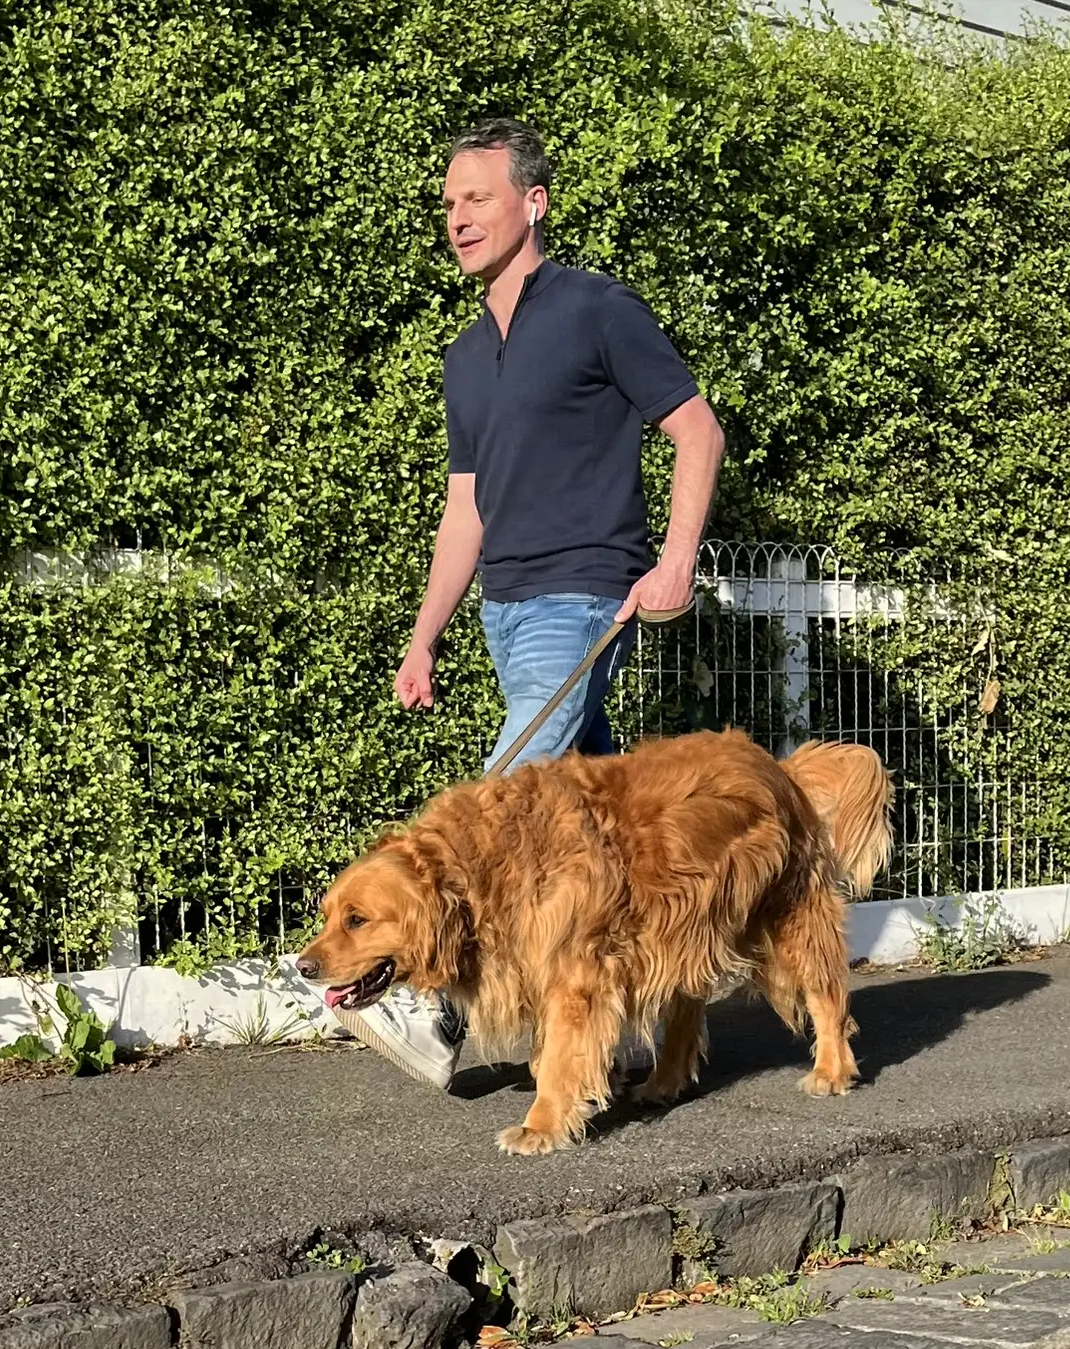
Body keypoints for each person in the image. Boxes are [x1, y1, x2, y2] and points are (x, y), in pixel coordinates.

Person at [331, 116, 727, 1089]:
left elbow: (698, 431)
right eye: (449, 203)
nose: (458, 218)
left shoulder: (597, 310)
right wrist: (425, 635)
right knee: (601, 843)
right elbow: (464, 507)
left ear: (532, 202)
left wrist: (675, 558)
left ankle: (430, 1006)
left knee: (496, 805)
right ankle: (646, 1020)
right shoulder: (466, 357)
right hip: (505, 612)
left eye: (478, 198)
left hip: (585, 595)